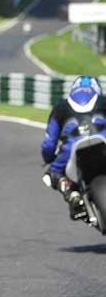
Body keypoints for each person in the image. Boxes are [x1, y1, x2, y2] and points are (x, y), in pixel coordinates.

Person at [41, 76, 106, 220]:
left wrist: (48, 158)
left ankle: (73, 195)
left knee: (53, 173)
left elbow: (49, 143)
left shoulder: (60, 107)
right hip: (104, 141)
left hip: (71, 147)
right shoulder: (103, 100)